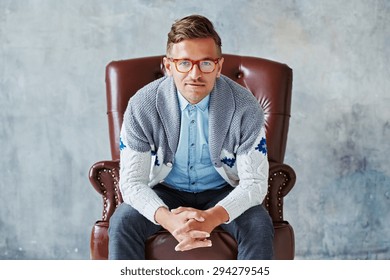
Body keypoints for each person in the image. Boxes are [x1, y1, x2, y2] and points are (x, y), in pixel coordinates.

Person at [108, 14, 274, 260]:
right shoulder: (141, 106)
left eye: (205, 63)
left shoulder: (245, 108)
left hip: (223, 189)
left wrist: (212, 217)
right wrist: (169, 220)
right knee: (123, 221)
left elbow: (254, 184)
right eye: (184, 63)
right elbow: (132, 182)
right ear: (168, 66)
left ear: (218, 66)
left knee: (258, 223)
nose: (195, 74)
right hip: (165, 189)